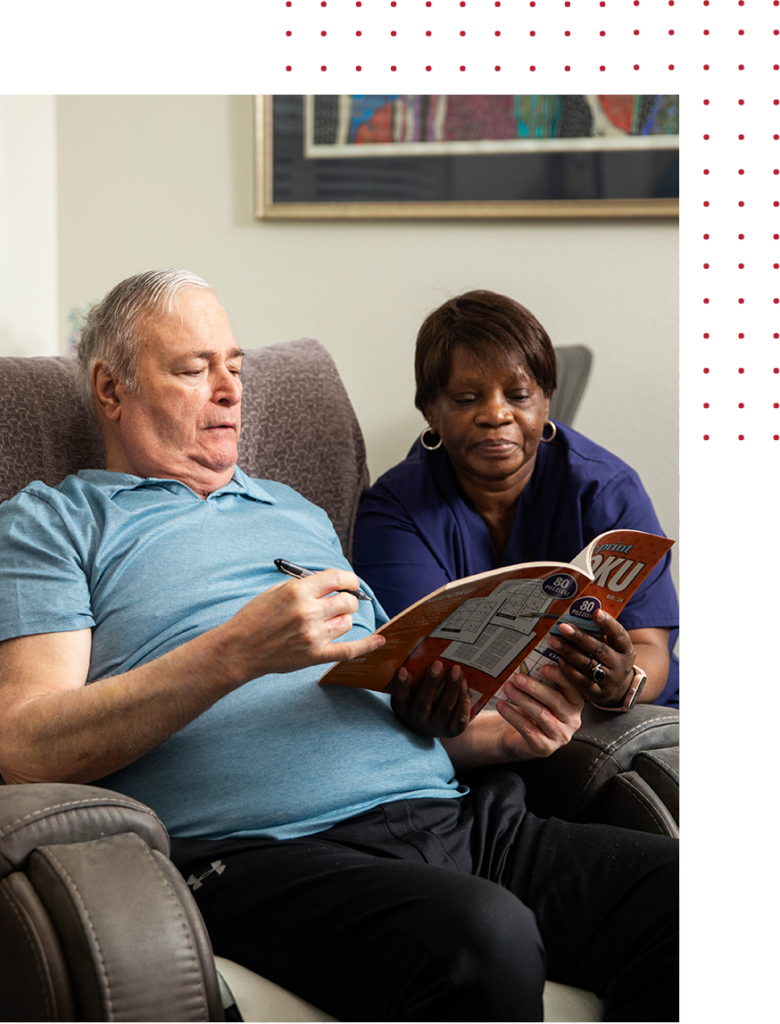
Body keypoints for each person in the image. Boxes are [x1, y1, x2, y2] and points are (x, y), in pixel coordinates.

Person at [0, 270, 678, 1023]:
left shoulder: (295, 510)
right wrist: (233, 653)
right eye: (195, 370)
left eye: (235, 367)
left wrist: (494, 732)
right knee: (483, 938)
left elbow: (383, 698)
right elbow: (25, 745)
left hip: (447, 816)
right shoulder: (53, 522)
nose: (229, 390)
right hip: (260, 851)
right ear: (110, 389)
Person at [353, 290, 680, 710]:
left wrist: (623, 683)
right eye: (466, 399)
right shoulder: (392, 512)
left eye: (519, 395)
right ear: (430, 409)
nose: (496, 414)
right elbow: (416, 664)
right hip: (480, 731)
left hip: (611, 719)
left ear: (546, 401)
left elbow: (649, 645)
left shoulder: (607, 489)